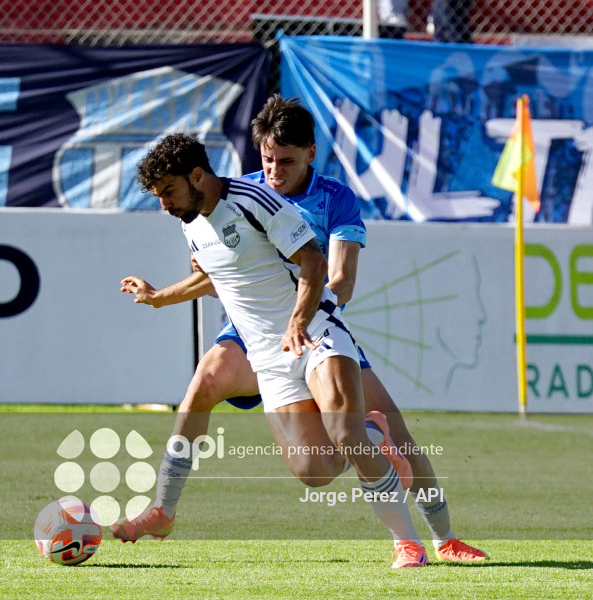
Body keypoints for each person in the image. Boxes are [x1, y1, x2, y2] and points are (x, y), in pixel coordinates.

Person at [113, 97, 486, 565]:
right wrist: (161, 296)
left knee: (383, 434)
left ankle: (441, 536)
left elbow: (338, 278)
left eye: (285, 161)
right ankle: (163, 509)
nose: (274, 170)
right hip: (254, 337)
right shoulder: (212, 203)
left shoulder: (330, 199)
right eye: (267, 159)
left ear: (310, 153)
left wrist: (303, 319)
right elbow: (223, 273)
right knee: (212, 392)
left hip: (312, 322)